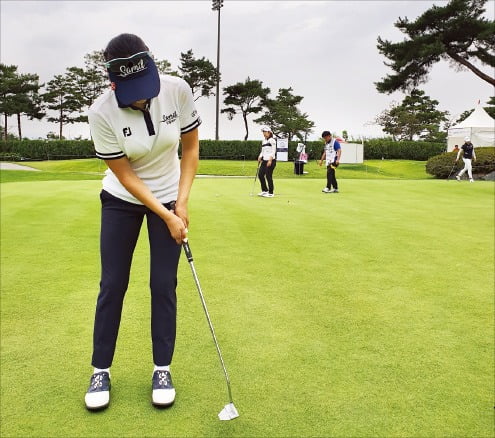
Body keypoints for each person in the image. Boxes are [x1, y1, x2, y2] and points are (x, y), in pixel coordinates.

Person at [84, 33, 201, 411]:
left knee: (163, 283)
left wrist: (180, 204)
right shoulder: (101, 112)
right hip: (121, 200)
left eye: (146, 86)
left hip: (170, 194)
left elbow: (191, 148)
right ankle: (101, 369)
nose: (142, 97)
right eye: (132, 90)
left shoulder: (177, 90)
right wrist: (165, 213)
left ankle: (161, 368)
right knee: (113, 283)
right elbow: (126, 176)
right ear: (112, 81)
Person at [257, 126, 277, 197]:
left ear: (269, 132)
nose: (264, 133)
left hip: (271, 161)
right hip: (264, 161)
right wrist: (260, 156)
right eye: (263, 132)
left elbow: (273, 151)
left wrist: (270, 160)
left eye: (265, 132)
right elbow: (263, 151)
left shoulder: (272, 140)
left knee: (268, 176)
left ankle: (271, 193)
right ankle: (265, 190)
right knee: (260, 175)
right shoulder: (264, 141)